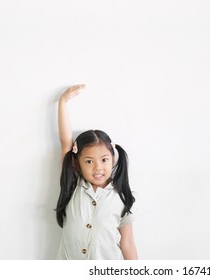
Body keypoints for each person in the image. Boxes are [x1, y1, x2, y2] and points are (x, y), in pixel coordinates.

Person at [55, 84, 137, 260]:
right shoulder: (73, 186)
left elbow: (127, 243)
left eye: (104, 160)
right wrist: (63, 102)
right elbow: (65, 142)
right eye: (89, 161)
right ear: (77, 163)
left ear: (113, 159)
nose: (98, 167)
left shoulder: (122, 197)